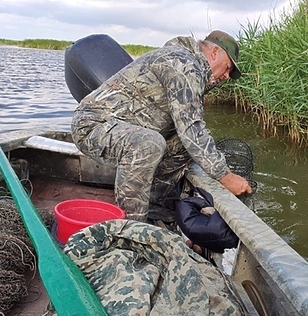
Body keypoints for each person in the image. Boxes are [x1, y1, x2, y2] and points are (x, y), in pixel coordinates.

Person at [71, 30, 252, 223]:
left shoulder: (191, 67)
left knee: (183, 147)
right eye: (227, 68)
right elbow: (192, 130)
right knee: (149, 143)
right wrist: (226, 177)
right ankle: (132, 226)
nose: (226, 76)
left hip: (127, 129)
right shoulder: (183, 64)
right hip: (92, 126)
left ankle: (154, 204)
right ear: (215, 52)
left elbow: (190, 133)